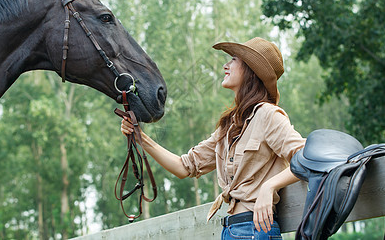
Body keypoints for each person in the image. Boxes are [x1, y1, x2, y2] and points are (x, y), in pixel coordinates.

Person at [121, 37, 306, 239]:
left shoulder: (268, 114)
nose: (226, 66)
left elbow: (305, 157)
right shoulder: (229, 126)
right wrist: (140, 137)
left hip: (255, 230)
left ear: (251, 70)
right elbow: (185, 167)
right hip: (230, 230)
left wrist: (270, 186)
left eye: (233, 60)